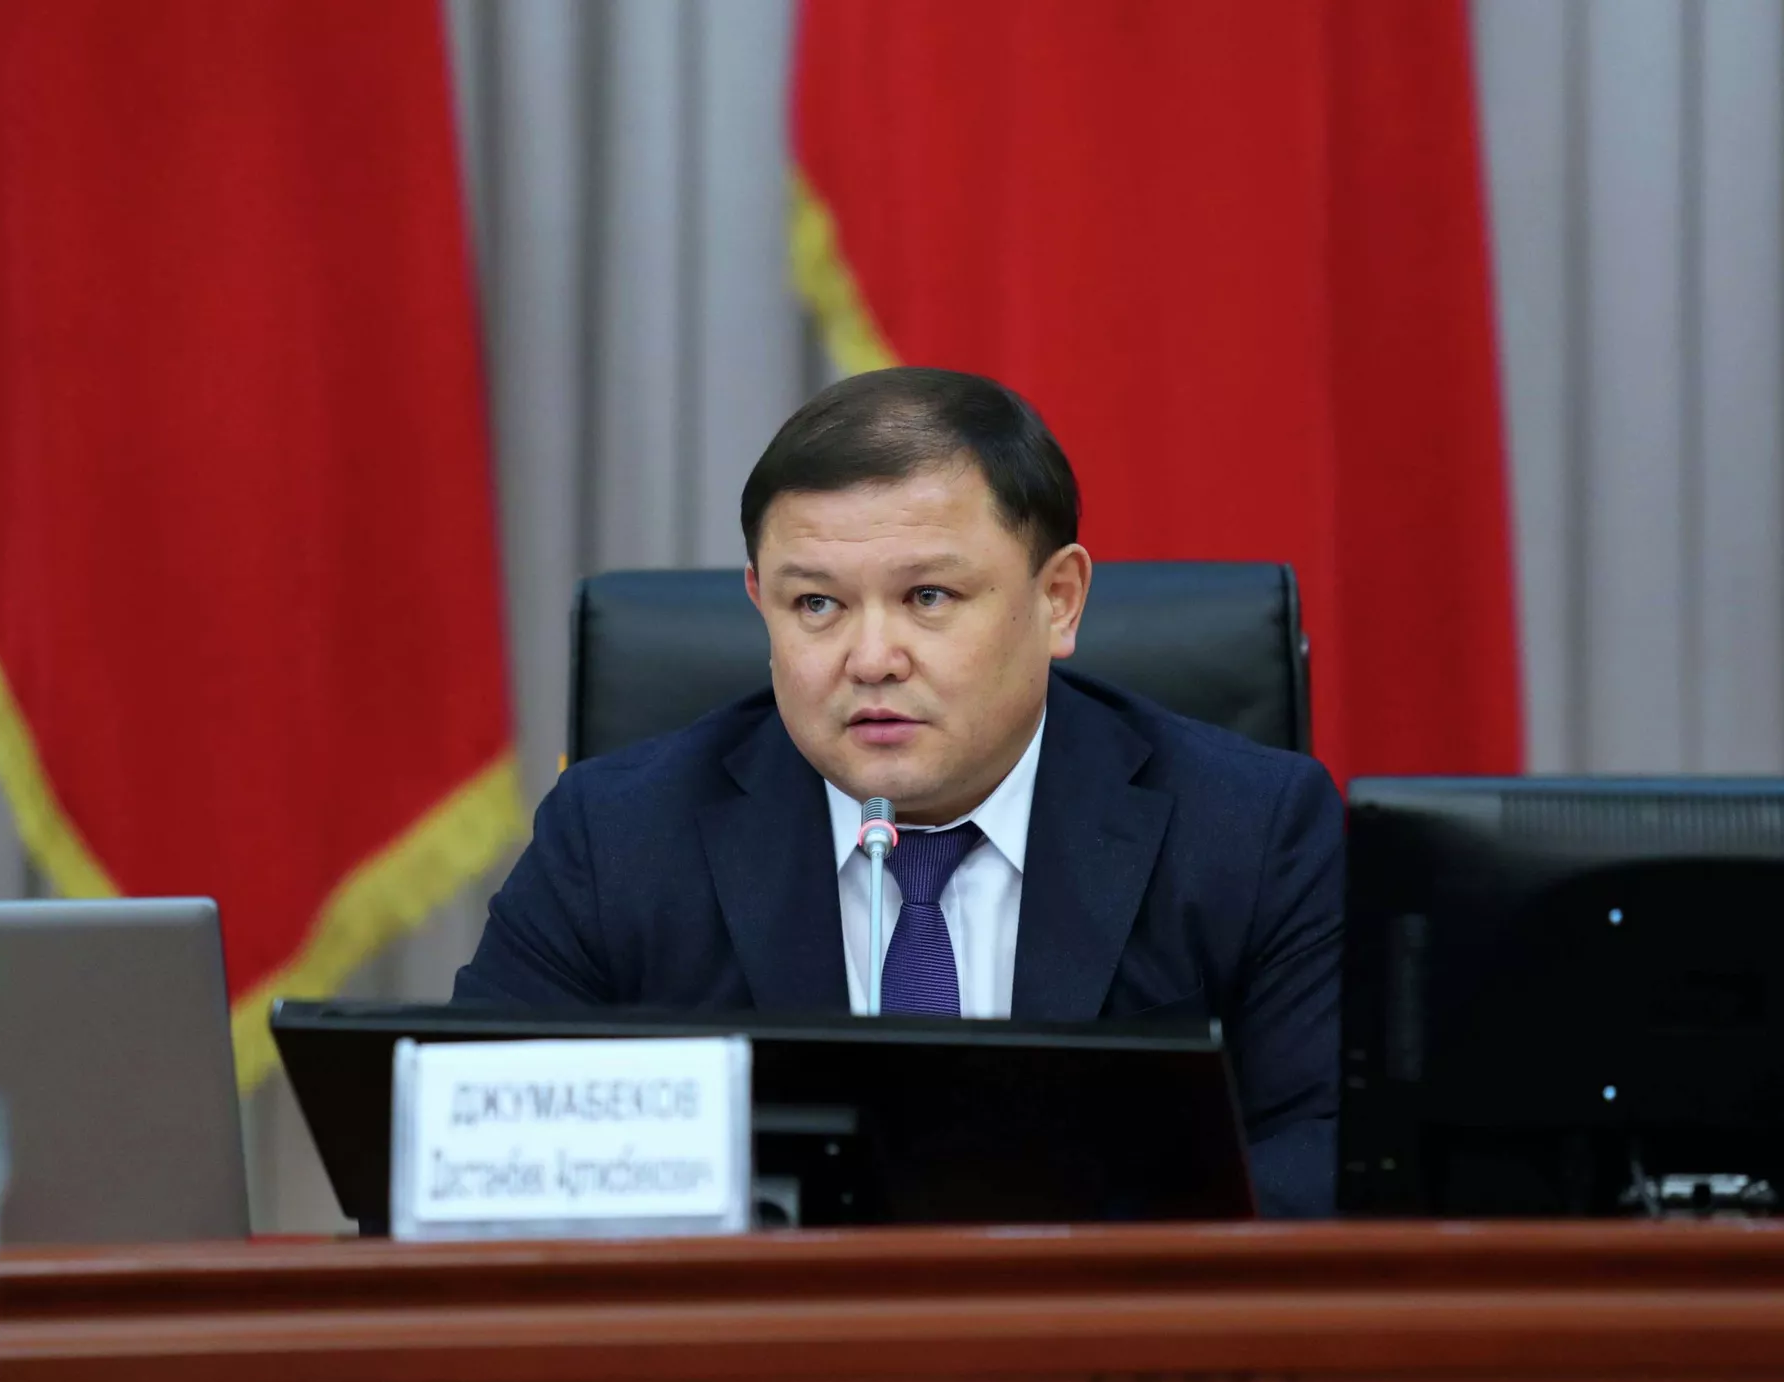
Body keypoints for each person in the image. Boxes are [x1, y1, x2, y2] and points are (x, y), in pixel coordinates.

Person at [456, 367, 1344, 1216]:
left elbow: (1326, 1164)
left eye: (928, 595)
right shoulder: (616, 839)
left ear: (1059, 600)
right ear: (761, 602)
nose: (872, 658)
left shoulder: (1253, 831)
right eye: (817, 605)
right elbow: (469, 1153)